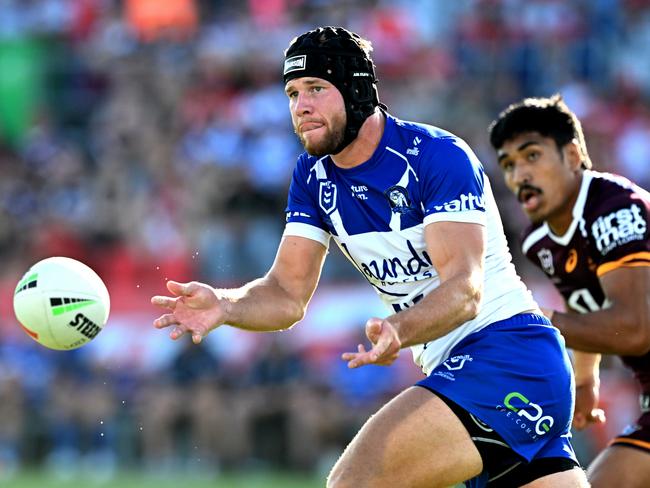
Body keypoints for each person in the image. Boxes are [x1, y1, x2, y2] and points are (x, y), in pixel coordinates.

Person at [152, 27, 588, 487]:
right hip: (479, 372)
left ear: (358, 90)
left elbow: (465, 290)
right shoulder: (313, 175)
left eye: (317, 89)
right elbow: (287, 294)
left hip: (507, 357)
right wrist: (227, 306)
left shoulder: (436, 156)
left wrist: (400, 329)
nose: (301, 106)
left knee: (353, 483)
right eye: (293, 92)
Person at [489, 94, 650, 488]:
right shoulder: (539, 240)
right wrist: (584, 380)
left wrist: (542, 323)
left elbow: (636, 329)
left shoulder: (615, 210)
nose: (519, 175)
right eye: (509, 165)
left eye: (531, 156)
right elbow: (587, 312)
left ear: (574, 154)